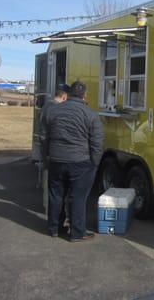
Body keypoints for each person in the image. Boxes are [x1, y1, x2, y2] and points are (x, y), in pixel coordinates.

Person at [41, 81, 104, 242]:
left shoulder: (52, 111)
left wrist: (46, 157)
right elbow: (97, 143)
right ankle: (77, 233)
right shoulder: (91, 115)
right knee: (77, 197)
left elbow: (44, 137)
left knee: (56, 195)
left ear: (67, 94)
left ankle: (54, 228)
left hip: (56, 159)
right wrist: (94, 163)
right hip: (80, 162)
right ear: (84, 95)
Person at [37, 84, 69, 213]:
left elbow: (42, 131)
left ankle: (47, 207)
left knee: (48, 179)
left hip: (46, 149)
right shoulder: (56, 108)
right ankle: (51, 209)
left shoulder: (47, 106)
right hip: (52, 150)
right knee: (53, 182)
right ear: (64, 96)